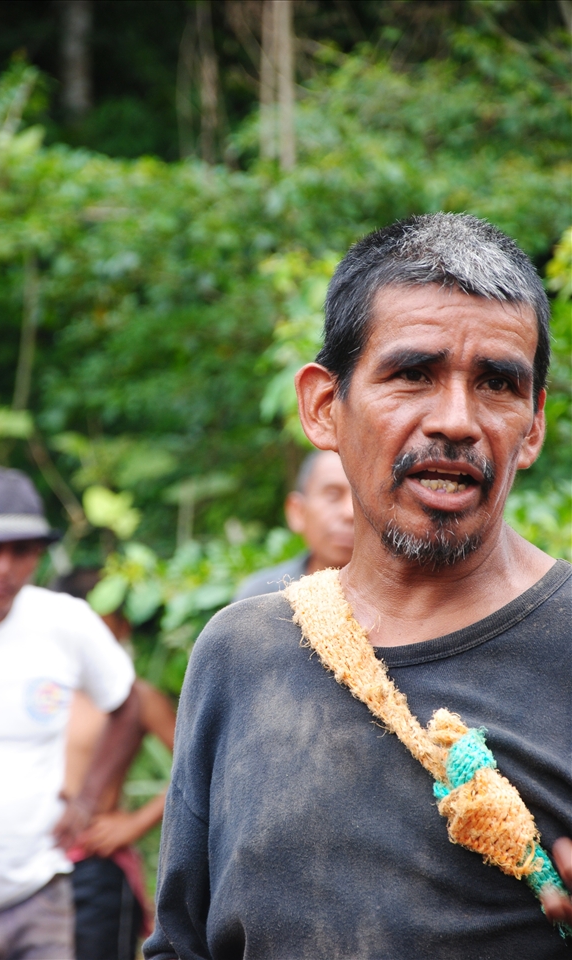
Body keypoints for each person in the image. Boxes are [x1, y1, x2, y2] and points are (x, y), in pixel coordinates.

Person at [144, 213, 572, 960]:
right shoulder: (241, 654)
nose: (456, 421)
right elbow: (181, 943)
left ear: (532, 426)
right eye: (413, 373)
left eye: (498, 384)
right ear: (322, 406)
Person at [0, 466, 143, 960]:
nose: (4, 567)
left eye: (22, 550)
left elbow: (127, 704)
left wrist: (88, 801)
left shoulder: (63, 622)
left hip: (38, 895)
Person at [53, 568, 176, 960]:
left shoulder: (135, 697)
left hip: (93, 863)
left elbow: (197, 766)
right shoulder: (36, 691)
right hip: (22, 858)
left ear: (122, 627)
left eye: (103, 627)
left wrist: (133, 824)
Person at [234, 450, 353, 600]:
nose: (350, 513)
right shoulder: (259, 596)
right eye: (333, 494)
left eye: (360, 499)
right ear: (298, 512)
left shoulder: (390, 604)